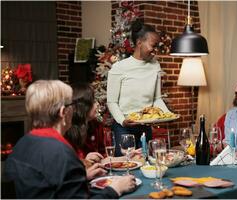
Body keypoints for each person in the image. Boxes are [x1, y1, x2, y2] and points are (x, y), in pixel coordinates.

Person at [4, 80, 136, 198]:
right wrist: (115, 189)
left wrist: (83, 177)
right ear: (63, 112)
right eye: (70, 105)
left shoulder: (21, 144)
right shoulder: (61, 153)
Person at [107, 20, 170, 156]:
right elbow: (111, 101)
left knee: (147, 162)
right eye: (153, 45)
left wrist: (167, 114)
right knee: (126, 166)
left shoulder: (155, 65)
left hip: (145, 127)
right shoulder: (119, 67)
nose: (156, 50)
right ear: (139, 42)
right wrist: (123, 121)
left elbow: (157, 99)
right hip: (123, 128)